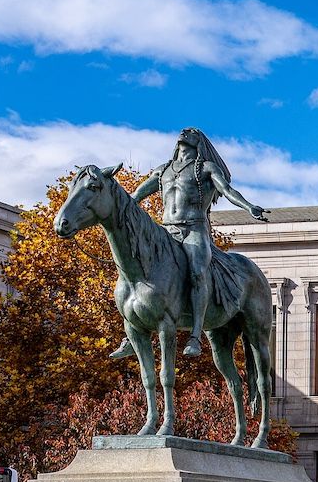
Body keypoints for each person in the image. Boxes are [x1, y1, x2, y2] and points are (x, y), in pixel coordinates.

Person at [108, 128, 270, 360]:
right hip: (167, 230)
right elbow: (135, 196)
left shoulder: (205, 168)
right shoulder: (163, 170)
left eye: (192, 132)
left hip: (194, 230)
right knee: (134, 272)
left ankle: (195, 336)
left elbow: (227, 190)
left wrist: (249, 207)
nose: (186, 133)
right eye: (184, 132)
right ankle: (131, 333)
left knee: (197, 273)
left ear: (199, 142)